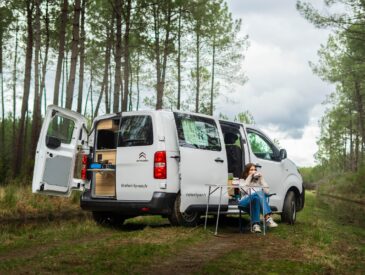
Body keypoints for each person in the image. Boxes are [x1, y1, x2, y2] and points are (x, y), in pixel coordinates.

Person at [238, 163, 278, 233]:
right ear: (247, 171)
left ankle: (256, 225)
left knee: (256, 198)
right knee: (258, 193)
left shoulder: (258, 181)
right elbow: (243, 190)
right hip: (244, 203)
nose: (253, 171)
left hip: (255, 203)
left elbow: (267, 192)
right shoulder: (242, 180)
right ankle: (267, 218)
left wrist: (262, 179)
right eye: (251, 170)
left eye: (254, 170)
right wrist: (250, 177)